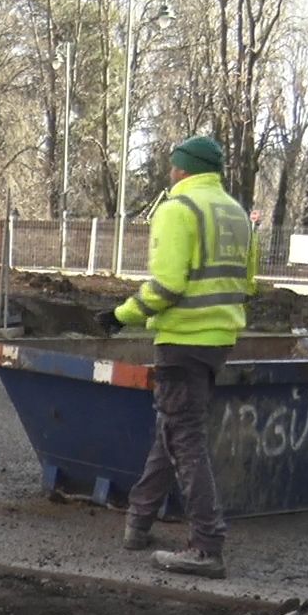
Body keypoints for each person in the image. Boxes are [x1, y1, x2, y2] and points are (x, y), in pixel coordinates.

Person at [100, 135, 257, 579]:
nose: (169, 173)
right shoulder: (237, 213)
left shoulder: (177, 210)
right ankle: (139, 522)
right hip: (218, 338)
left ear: (182, 169)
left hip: (181, 338)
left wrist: (121, 315)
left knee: (184, 439)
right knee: (172, 429)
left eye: (172, 166)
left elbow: (166, 286)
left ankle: (207, 547)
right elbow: (249, 281)